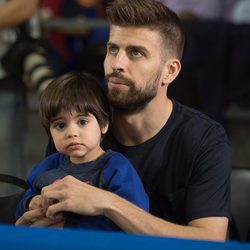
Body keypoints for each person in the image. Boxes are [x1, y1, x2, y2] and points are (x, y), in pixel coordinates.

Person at [16, 0, 231, 242]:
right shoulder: (79, 126)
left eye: (135, 53)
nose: (117, 64)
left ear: (170, 71)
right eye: (113, 49)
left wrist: (107, 203)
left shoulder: (204, 139)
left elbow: (211, 241)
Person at [15, 71, 149, 231]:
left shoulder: (116, 168)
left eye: (82, 121)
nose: (71, 133)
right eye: (60, 125)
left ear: (103, 124)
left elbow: (134, 219)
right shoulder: (47, 167)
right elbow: (20, 209)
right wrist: (30, 202)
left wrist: (72, 227)